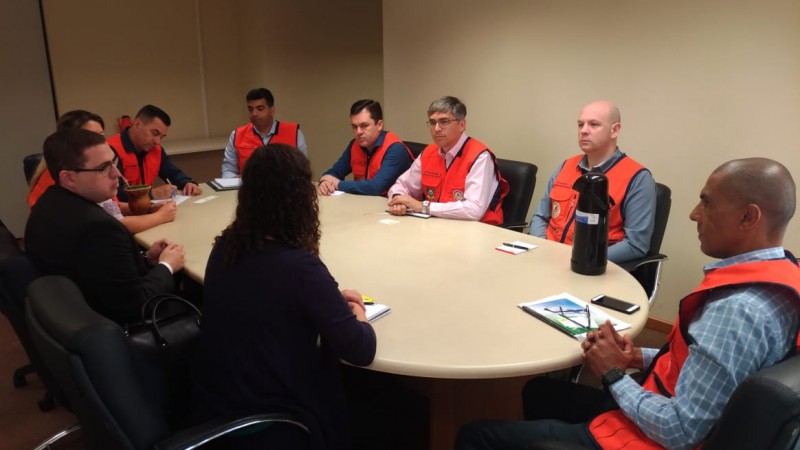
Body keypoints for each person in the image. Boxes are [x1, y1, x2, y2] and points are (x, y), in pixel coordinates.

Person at [456, 157, 800, 449]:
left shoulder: (737, 310)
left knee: (475, 435)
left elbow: (680, 431)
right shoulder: (781, 275)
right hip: (674, 404)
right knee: (540, 392)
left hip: (655, 437)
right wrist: (637, 356)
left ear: (748, 217)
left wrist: (612, 372)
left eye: (707, 202)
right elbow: (714, 367)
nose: (695, 214)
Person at [192, 144, 376, 449]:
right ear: (299, 198)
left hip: (219, 396)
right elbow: (360, 349)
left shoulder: (227, 246)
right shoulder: (299, 267)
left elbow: (268, 299)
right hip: (270, 415)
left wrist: (325, 298)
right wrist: (358, 313)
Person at [25, 128, 186, 325]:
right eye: (103, 167)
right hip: (118, 326)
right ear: (69, 178)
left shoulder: (47, 203)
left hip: (72, 313)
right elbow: (137, 305)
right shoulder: (97, 228)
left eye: (114, 163)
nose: (116, 173)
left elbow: (100, 269)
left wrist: (146, 259)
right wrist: (167, 266)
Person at [530, 101, 656, 265]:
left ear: (614, 130)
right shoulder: (566, 166)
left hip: (592, 269)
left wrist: (580, 260)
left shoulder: (638, 178)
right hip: (547, 260)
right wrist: (543, 248)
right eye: (580, 124)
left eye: (594, 124)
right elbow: (540, 216)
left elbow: (635, 245)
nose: (583, 130)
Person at [27, 110, 177, 234]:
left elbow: (112, 209)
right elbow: (117, 224)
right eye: (91, 137)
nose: (101, 143)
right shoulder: (71, 176)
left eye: (101, 136)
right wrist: (161, 217)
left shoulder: (86, 171)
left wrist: (149, 207)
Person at [387, 96, 509, 225]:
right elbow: (402, 185)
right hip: (436, 226)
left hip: (477, 231)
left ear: (462, 125)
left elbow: (474, 210)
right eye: (433, 123)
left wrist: (423, 207)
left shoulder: (480, 157)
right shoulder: (429, 152)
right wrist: (398, 199)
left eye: (444, 122)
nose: (437, 129)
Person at [317, 99, 413, 196]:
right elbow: (334, 172)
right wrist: (325, 182)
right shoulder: (355, 145)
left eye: (364, 125)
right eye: (354, 126)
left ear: (379, 125)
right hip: (364, 204)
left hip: (392, 207)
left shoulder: (395, 149)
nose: (358, 132)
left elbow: (376, 187)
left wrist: (337, 184)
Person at [109, 104, 203, 201]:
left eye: (162, 137)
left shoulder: (155, 150)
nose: (157, 141)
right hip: (120, 214)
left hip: (147, 210)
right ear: (138, 124)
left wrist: (187, 183)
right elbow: (112, 194)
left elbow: (173, 173)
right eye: (155, 133)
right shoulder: (110, 151)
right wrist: (150, 194)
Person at [220, 87, 308, 178]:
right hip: (249, 189)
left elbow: (303, 170)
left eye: (260, 109)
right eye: (250, 109)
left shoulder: (294, 133)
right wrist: (234, 180)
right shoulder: (237, 135)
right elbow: (228, 170)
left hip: (285, 189)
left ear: (272, 110)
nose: (254, 113)